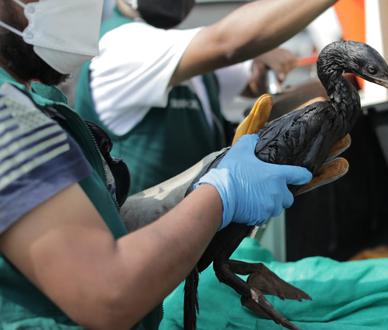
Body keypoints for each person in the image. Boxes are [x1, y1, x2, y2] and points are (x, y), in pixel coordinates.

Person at [0, 0, 336, 328]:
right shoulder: (9, 117)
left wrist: (191, 190)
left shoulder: (31, 104)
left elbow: (82, 234)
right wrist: (222, 191)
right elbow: (109, 293)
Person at [75, 0, 300, 193]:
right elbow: (228, 43)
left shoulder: (178, 50)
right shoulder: (121, 45)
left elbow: (251, 81)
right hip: (142, 233)